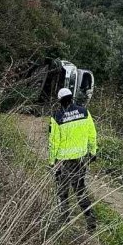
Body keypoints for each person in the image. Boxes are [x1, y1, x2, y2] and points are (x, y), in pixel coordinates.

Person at [49, 87, 98, 232]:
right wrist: (93, 151)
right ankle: (91, 222)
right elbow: (92, 134)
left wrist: (52, 162)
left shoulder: (57, 117)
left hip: (63, 162)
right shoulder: (84, 112)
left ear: (59, 101)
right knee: (80, 190)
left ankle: (64, 223)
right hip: (81, 160)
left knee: (62, 192)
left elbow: (53, 142)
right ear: (72, 98)